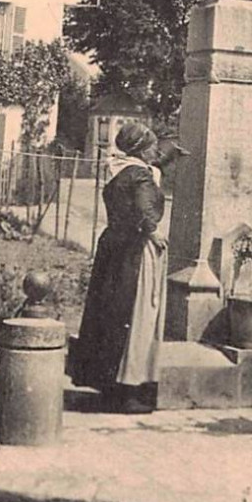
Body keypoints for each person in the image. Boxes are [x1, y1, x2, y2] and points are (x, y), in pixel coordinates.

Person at [72, 122, 175, 413]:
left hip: (114, 248)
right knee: (137, 314)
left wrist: (168, 156)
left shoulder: (120, 169)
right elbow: (143, 209)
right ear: (141, 149)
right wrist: (152, 230)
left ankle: (108, 383)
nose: (156, 151)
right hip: (135, 251)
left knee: (109, 313)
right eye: (152, 146)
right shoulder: (140, 175)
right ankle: (128, 388)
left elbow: (146, 175)